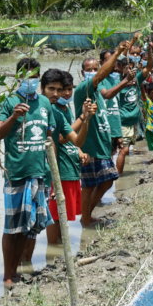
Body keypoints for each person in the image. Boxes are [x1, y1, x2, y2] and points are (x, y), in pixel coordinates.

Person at [0, 58, 57, 287]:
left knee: (29, 228)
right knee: (12, 228)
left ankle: (19, 268)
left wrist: (52, 176)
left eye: (35, 77)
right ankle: (7, 275)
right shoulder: (8, 101)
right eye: (27, 77)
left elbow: (49, 138)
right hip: (16, 173)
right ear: (18, 77)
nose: (31, 81)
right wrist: (14, 117)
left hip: (39, 173)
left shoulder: (44, 103)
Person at [42, 68, 95, 243]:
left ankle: (57, 247)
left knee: (61, 213)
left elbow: (75, 140)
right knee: (54, 213)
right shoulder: (50, 109)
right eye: (54, 89)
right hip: (54, 170)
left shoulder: (61, 111)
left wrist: (86, 119)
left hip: (67, 169)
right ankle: (52, 248)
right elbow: (60, 139)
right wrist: (82, 117)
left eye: (65, 89)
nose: (61, 93)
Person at [104, 45, 153, 175]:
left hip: (133, 122)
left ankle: (116, 171)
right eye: (127, 67)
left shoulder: (136, 79)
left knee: (126, 148)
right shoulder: (117, 83)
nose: (130, 70)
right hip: (122, 122)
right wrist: (125, 81)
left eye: (131, 67)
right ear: (120, 68)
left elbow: (149, 67)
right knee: (123, 150)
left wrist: (149, 51)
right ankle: (117, 176)